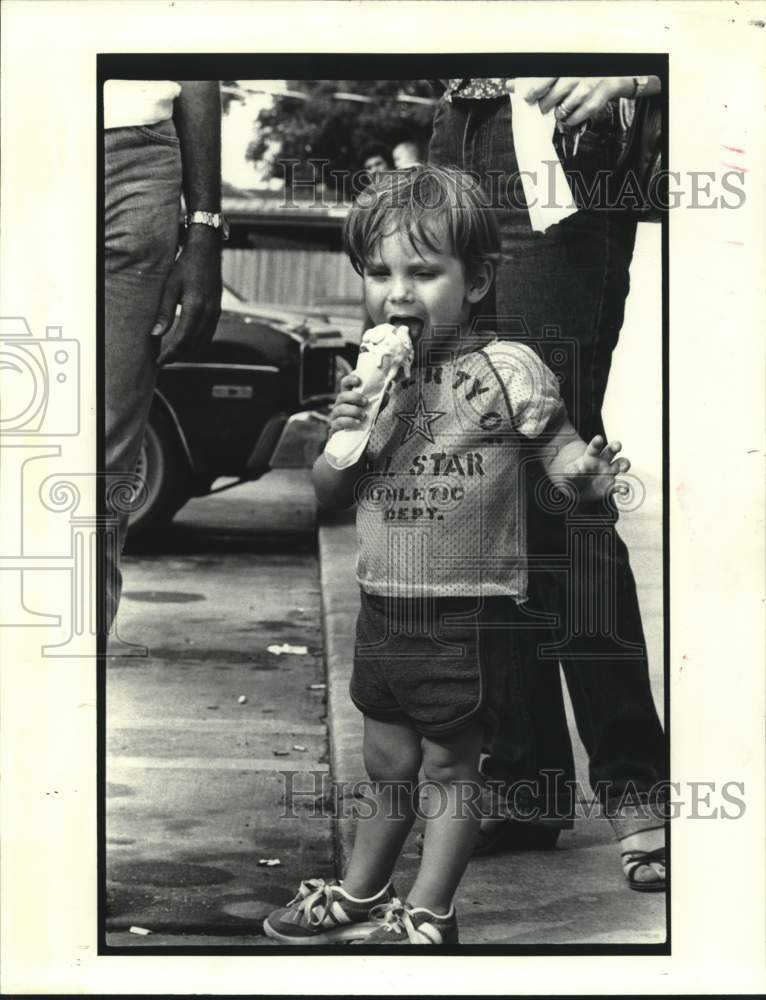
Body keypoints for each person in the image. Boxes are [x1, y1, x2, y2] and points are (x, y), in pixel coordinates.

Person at [263, 165, 634, 945]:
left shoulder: (508, 369)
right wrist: (351, 424)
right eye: (380, 273)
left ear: (478, 281)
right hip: (383, 606)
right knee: (386, 766)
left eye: (423, 273)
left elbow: (561, 454)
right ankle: (364, 894)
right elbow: (329, 492)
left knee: (448, 770)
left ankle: (430, 910)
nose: (397, 294)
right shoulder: (368, 382)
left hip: (466, 611)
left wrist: (588, 477)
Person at [427, 75, 667, 890]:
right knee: (483, 481)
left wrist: (637, 69)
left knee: (561, 475)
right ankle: (525, 784)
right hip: (456, 124)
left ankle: (637, 788)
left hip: (552, 138)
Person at [104, 80, 224, 630]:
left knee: (98, 469)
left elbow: (195, 50)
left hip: (134, 147)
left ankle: (75, 691)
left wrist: (203, 229)